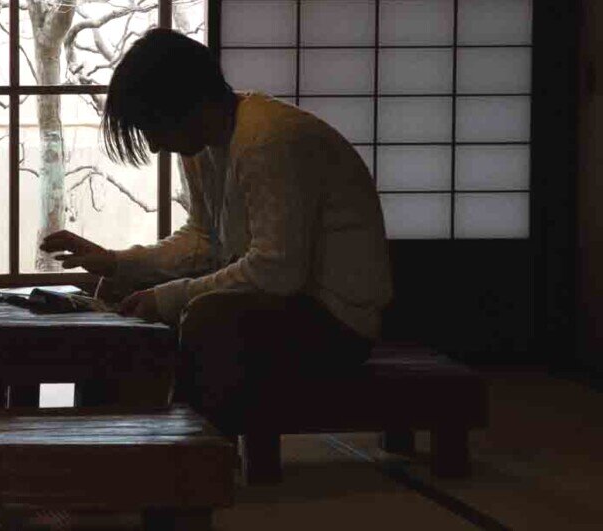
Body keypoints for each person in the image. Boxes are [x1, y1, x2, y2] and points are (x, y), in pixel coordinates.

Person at [39, 28, 393, 430]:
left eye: (153, 128)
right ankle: (107, 437)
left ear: (186, 104)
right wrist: (117, 262)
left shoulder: (268, 139)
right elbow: (203, 241)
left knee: (209, 319)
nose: (155, 146)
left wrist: (167, 297)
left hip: (335, 320)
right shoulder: (202, 145)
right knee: (119, 288)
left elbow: (276, 271)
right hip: (284, 301)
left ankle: (195, 452)